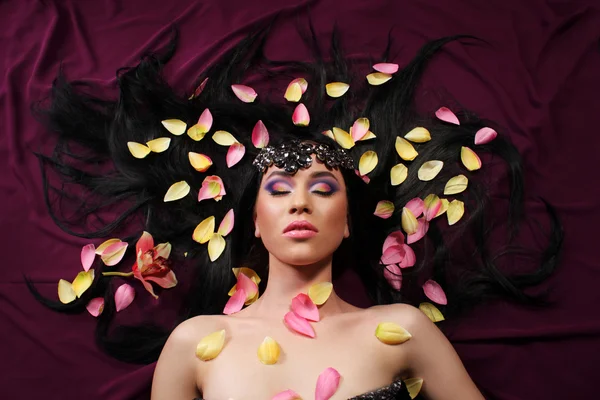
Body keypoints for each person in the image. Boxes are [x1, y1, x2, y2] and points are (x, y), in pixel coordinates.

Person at [29, 22, 561, 400]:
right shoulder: (193, 345)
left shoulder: (404, 329)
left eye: (324, 189)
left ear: (349, 219)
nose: (301, 201)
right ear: (254, 221)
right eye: (279, 189)